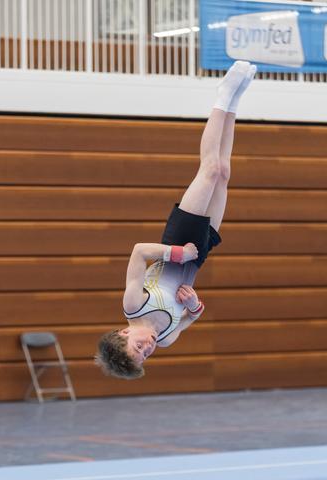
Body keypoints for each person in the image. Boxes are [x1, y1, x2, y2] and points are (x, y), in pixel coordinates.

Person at [95, 60, 257, 379]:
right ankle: (235, 101)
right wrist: (195, 306)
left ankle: (223, 95)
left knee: (209, 170)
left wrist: (177, 253)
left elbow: (139, 251)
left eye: (138, 348)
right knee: (223, 174)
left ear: (123, 334)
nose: (148, 348)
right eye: (146, 356)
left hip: (178, 242)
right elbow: (192, 316)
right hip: (200, 256)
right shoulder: (168, 337)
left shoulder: (133, 304)